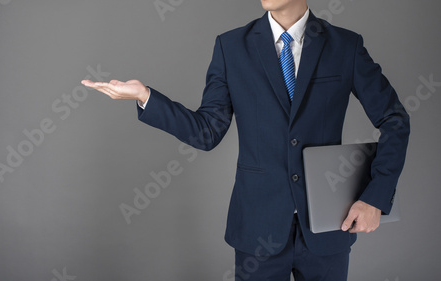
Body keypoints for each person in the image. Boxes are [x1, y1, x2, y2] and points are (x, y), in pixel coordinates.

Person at [82, 0, 410, 280]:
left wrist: (375, 198)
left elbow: (395, 120)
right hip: (257, 228)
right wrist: (146, 97)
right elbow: (207, 131)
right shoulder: (231, 47)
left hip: (328, 227)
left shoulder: (345, 46)